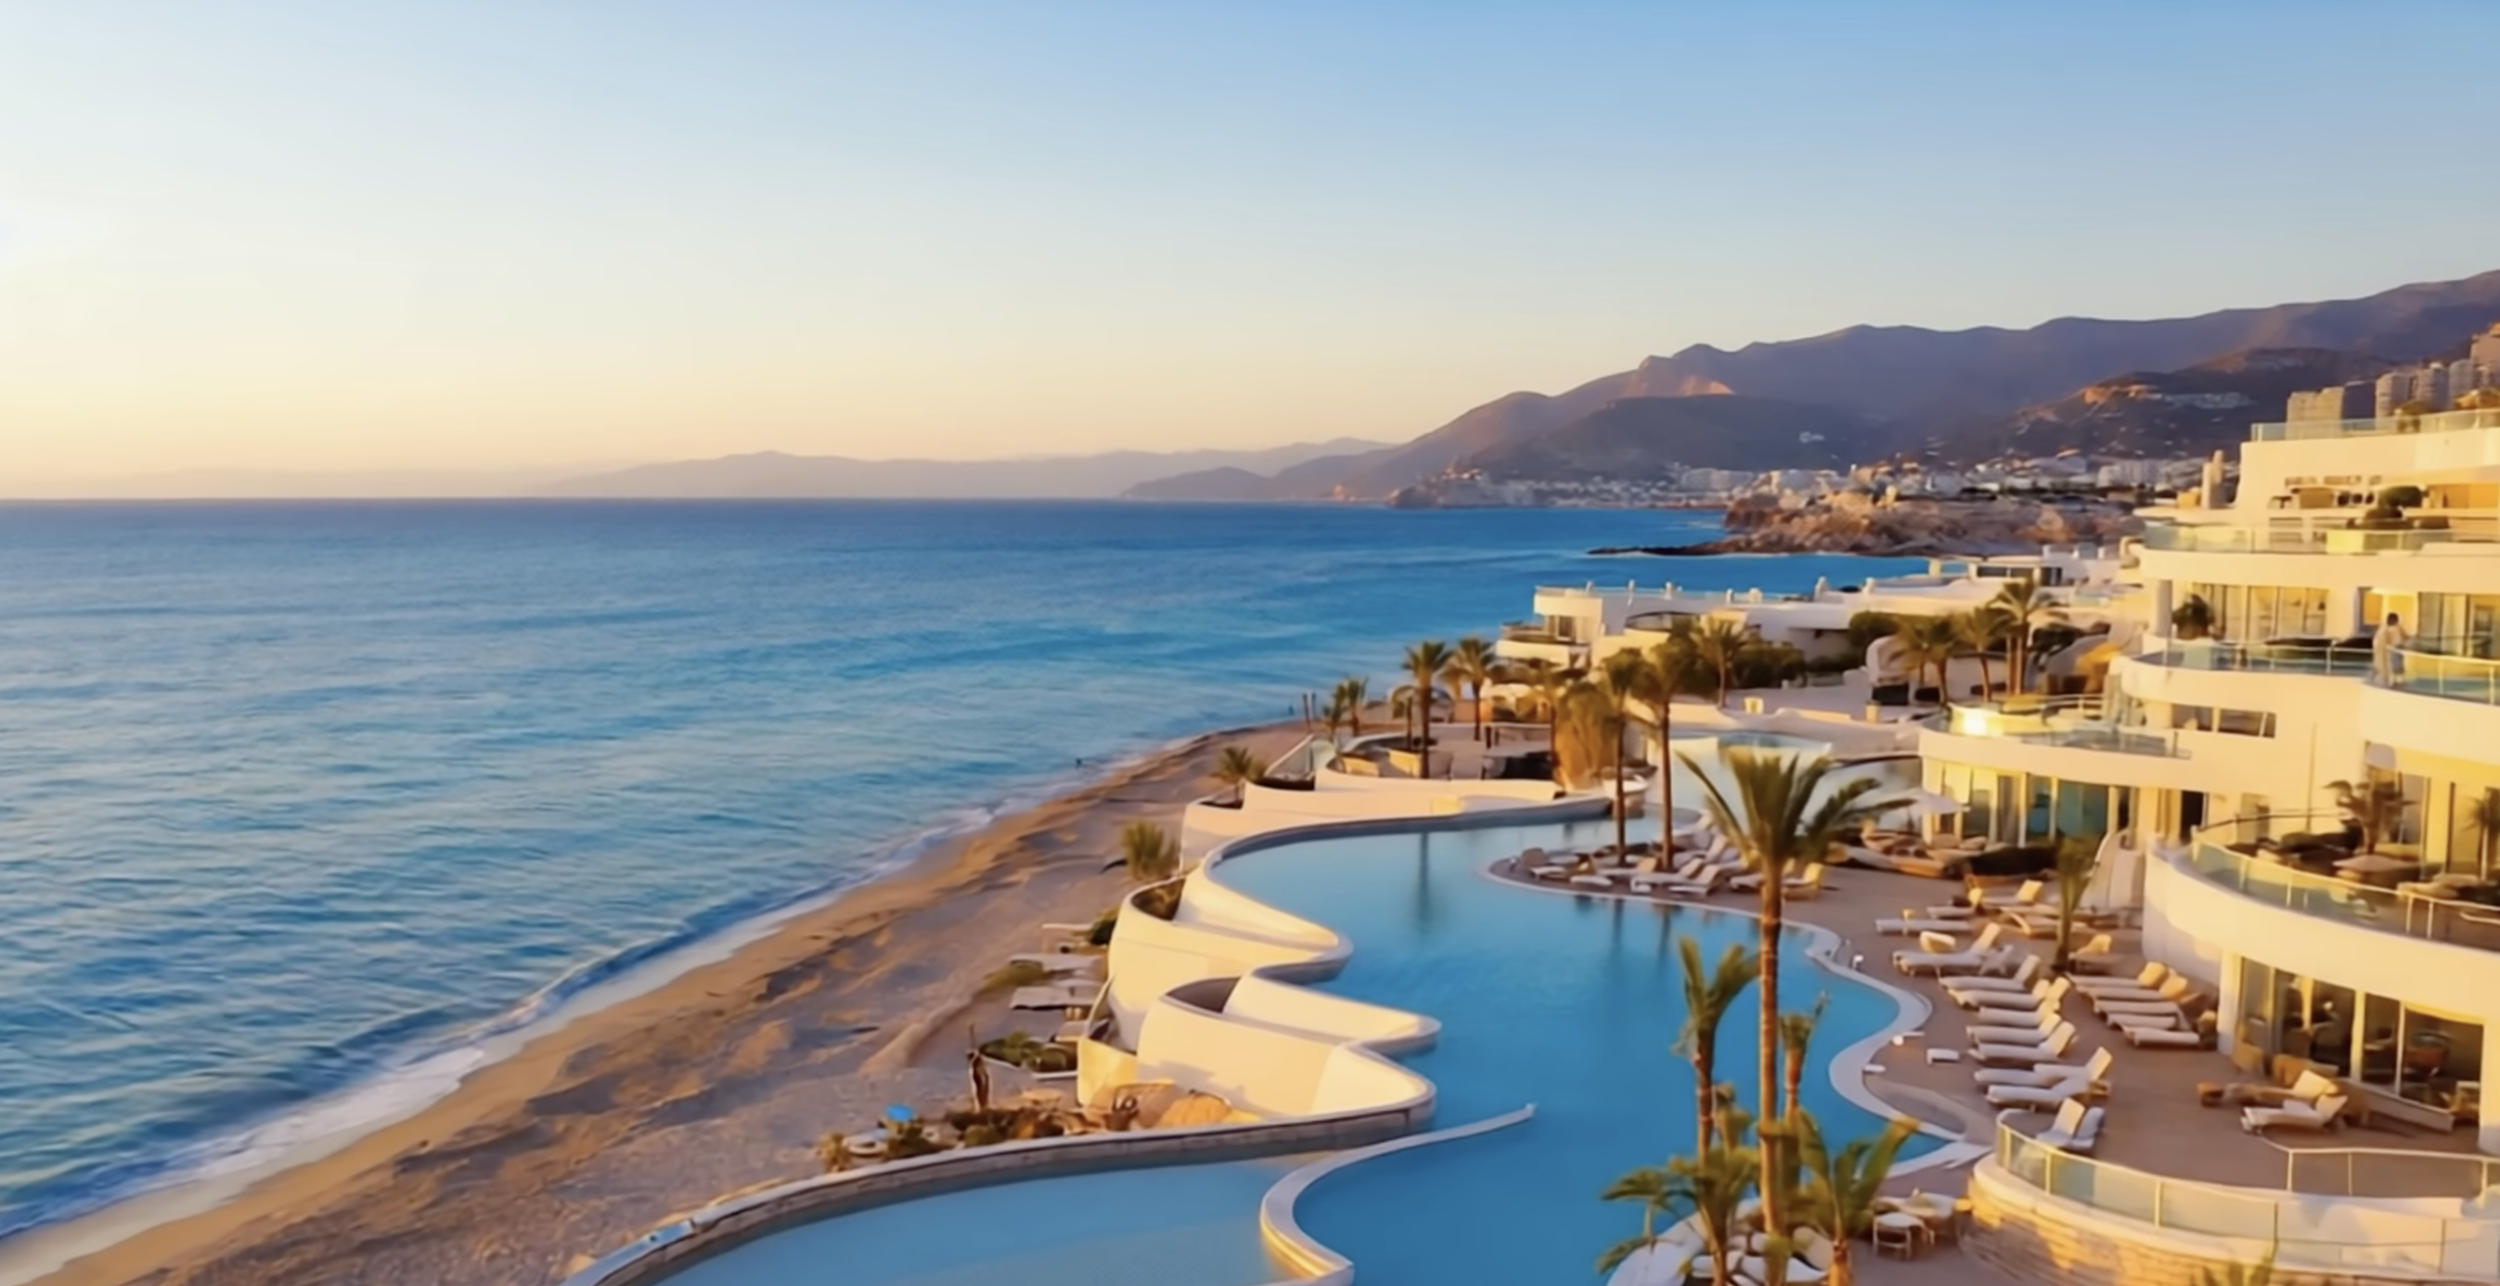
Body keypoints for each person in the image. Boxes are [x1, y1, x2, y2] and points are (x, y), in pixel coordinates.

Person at [2373, 612, 2410, 684]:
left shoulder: (2398, 627)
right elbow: (2382, 640)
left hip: (2399, 648)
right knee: (2393, 663)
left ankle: (2399, 679)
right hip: (2392, 649)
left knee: (2399, 663)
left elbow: (2405, 636)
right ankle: (2392, 679)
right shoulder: (2385, 629)